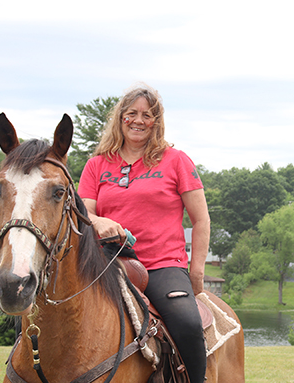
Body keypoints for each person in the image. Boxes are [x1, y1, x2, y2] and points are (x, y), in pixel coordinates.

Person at [78, 83, 210, 382]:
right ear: (120, 118)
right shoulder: (97, 165)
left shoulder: (176, 160)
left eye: (147, 115)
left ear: (156, 122)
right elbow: (85, 212)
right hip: (106, 263)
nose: (138, 120)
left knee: (187, 323)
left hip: (162, 265)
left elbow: (201, 219)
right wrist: (97, 222)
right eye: (131, 113)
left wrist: (197, 270)